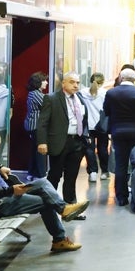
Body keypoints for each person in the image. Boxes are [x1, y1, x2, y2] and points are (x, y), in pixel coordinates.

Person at [0, 131, 85, 253]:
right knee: (46, 202)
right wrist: (11, 190)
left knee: (42, 182)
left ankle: (63, 209)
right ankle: (60, 240)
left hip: (3, 196)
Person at [36, 72, 95, 204]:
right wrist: (42, 142)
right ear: (63, 83)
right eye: (72, 82)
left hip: (77, 142)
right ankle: (48, 204)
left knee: (72, 176)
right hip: (60, 142)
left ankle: (70, 205)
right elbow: (42, 122)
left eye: (78, 83)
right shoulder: (52, 98)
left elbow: (83, 119)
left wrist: (86, 136)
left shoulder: (80, 98)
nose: (75, 85)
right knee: (55, 175)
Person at [103, 67, 135, 208]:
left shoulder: (111, 93)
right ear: (134, 79)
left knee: (121, 165)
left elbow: (106, 111)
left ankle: (121, 197)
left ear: (121, 78)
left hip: (118, 132)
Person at [81, 72, 111, 181]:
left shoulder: (82, 93)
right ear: (102, 82)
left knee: (89, 149)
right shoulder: (105, 93)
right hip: (102, 125)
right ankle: (104, 172)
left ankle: (92, 172)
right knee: (102, 148)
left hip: (88, 125)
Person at [23, 71, 48, 179]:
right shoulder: (37, 94)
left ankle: (32, 173)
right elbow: (47, 106)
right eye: (44, 81)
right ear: (38, 82)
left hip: (31, 125)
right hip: (37, 126)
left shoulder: (32, 93)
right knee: (40, 151)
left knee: (34, 150)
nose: (46, 83)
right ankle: (41, 175)